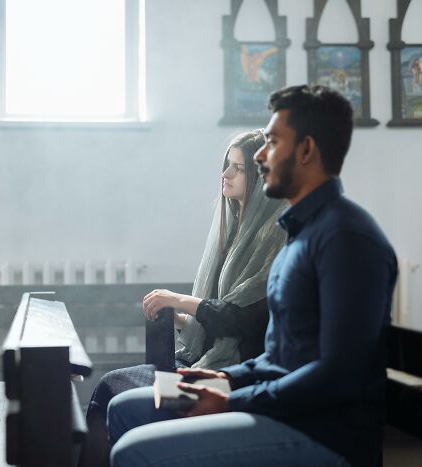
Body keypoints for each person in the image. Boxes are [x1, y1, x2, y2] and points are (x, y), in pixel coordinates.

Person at [107, 85, 398, 467]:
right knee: (126, 405)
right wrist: (223, 378)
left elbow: (338, 374)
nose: (260, 155)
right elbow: (279, 357)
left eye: (273, 143)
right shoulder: (300, 235)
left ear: (307, 150)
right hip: (278, 405)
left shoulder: (346, 239)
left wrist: (231, 399)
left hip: (323, 431)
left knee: (134, 451)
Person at [79, 129, 287, 467]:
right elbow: (219, 311)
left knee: (117, 392)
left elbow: (239, 317)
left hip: (230, 374)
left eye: (238, 168)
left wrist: (180, 301)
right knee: (111, 389)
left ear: (261, 177)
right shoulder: (232, 231)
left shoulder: (275, 237)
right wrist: (184, 319)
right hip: (203, 362)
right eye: (226, 165)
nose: (225, 174)